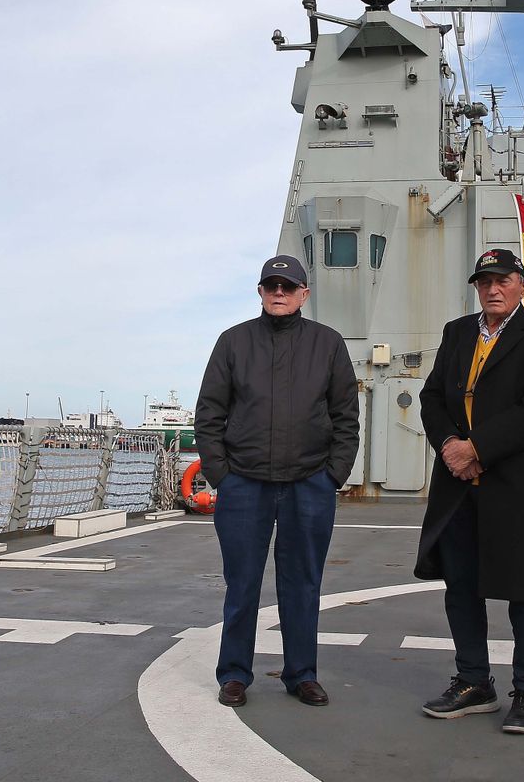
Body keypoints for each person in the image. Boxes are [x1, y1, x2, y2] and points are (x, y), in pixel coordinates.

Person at [194, 254, 360, 709]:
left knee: (303, 583)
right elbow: (209, 413)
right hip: (244, 483)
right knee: (242, 582)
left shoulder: (327, 343)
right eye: (272, 287)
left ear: (304, 294)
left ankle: (301, 673)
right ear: (261, 292)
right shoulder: (233, 342)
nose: (280, 293)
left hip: (310, 482)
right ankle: (234, 675)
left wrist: (333, 476)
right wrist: (221, 474)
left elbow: (347, 416)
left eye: (289, 287)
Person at [415, 248, 524, 735]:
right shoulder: (457, 332)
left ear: (523, 284)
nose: (493, 289)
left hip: (514, 484)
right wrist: (449, 446)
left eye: (503, 280)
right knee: (460, 586)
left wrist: (477, 448)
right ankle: (474, 681)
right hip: (458, 485)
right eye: (484, 282)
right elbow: (432, 397)